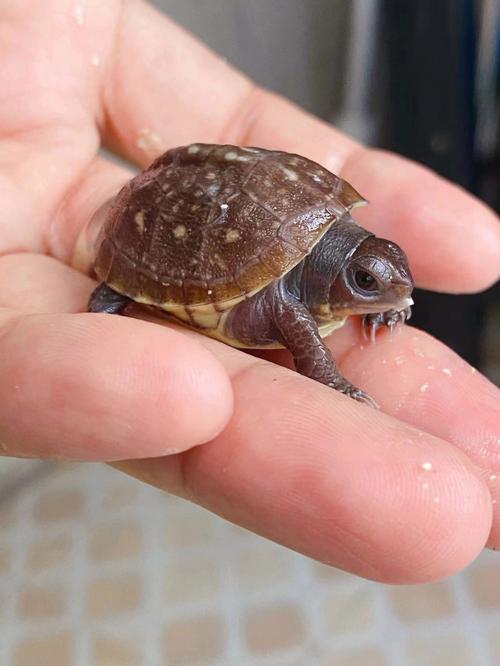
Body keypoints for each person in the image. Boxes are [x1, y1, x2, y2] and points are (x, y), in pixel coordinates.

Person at [0, 0, 499, 584]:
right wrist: (333, 380)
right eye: (364, 285)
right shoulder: (291, 303)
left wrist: (387, 298)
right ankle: (118, 286)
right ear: (337, 278)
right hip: (149, 230)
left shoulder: (340, 241)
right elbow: (292, 319)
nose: (384, 290)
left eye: (386, 278)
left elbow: (367, 283)